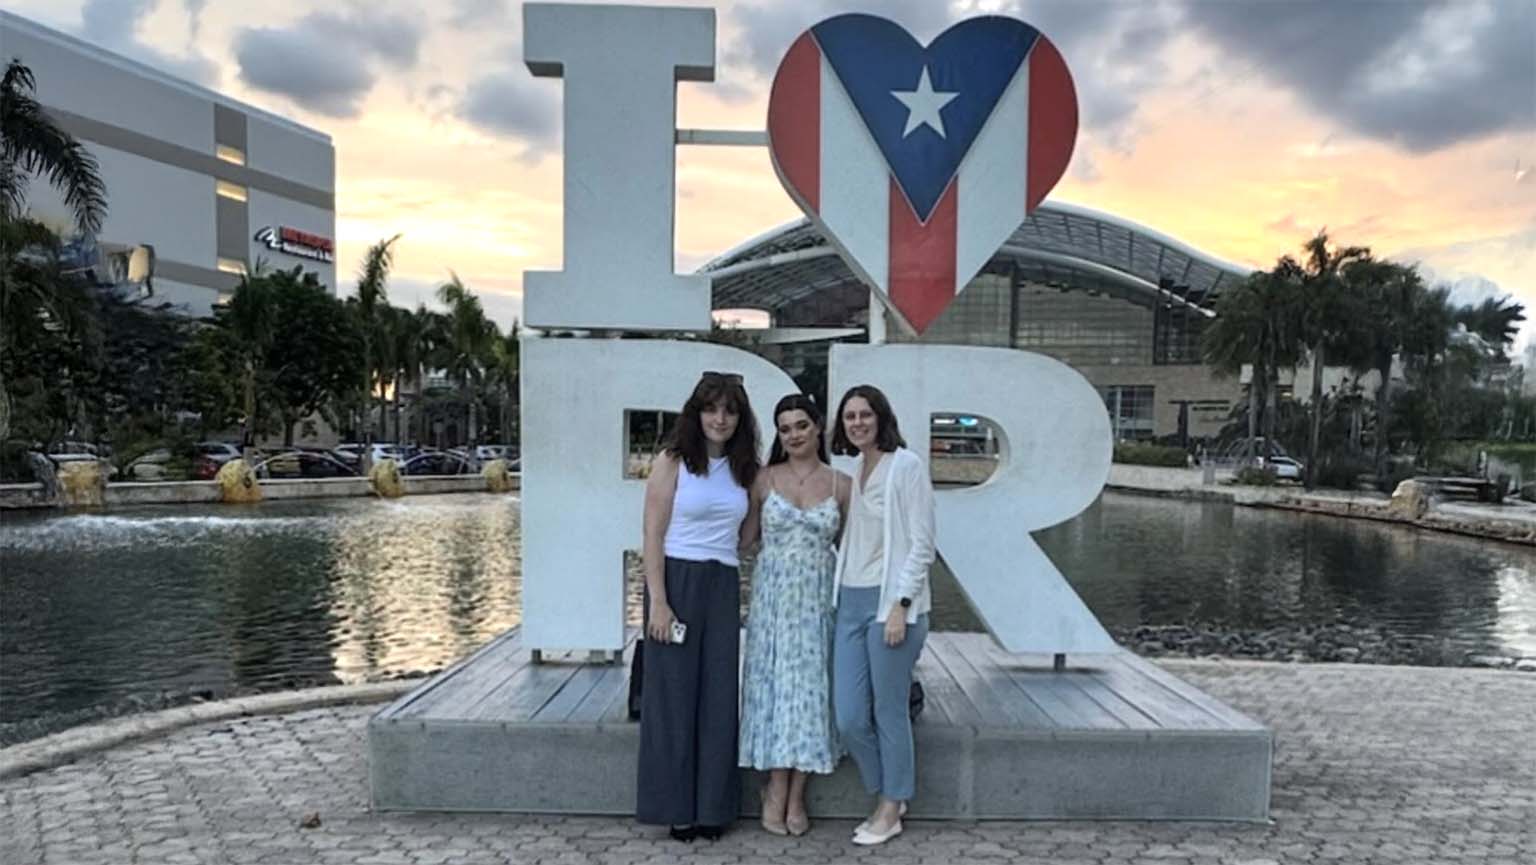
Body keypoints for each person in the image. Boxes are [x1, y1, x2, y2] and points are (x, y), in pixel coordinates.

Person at [636, 371, 760, 841]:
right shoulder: (673, 461)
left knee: (717, 696)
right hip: (676, 579)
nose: (720, 419)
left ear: (739, 417)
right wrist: (659, 603)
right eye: (711, 408)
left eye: (729, 410)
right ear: (697, 412)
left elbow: (747, 536)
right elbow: (651, 533)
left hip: (722, 582)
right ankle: (675, 808)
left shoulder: (744, 467)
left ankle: (712, 808)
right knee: (672, 699)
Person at [828, 384, 936, 846]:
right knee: (849, 715)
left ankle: (891, 807)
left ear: (881, 417)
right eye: (849, 416)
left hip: (890, 607)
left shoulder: (906, 466)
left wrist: (901, 605)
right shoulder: (854, 467)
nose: (857, 423)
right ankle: (889, 789)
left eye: (865, 415)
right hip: (849, 602)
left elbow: (922, 543)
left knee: (889, 711)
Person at [737, 394, 849, 836]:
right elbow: (744, 540)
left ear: (818, 427)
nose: (794, 434)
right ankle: (775, 788)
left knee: (810, 693)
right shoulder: (763, 480)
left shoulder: (842, 484)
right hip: (773, 603)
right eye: (785, 429)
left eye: (801, 425)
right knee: (775, 691)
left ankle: (797, 793)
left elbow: (857, 552)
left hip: (818, 603)